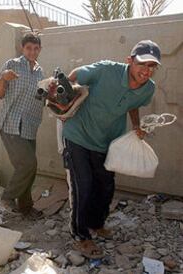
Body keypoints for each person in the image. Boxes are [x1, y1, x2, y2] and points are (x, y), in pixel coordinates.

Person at [62, 40, 161, 258]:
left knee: (105, 186)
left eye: (152, 66)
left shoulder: (148, 88)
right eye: (142, 64)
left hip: (107, 141)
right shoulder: (107, 70)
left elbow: (133, 103)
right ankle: (81, 236)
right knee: (83, 186)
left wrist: (136, 125)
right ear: (130, 61)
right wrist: (63, 98)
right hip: (78, 135)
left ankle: (96, 224)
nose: (146, 70)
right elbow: (77, 74)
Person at [0, 32, 44, 218]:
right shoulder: (12, 65)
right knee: (28, 164)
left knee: (29, 168)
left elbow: (39, 97)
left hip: (30, 125)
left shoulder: (40, 71)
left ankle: (25, 207)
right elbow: (0, 94)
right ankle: (7, 198)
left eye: (36, 48)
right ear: (22, 49)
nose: (32, 51)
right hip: (11, 124)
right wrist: (3, 80)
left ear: (40, 49)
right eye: (28, 48)